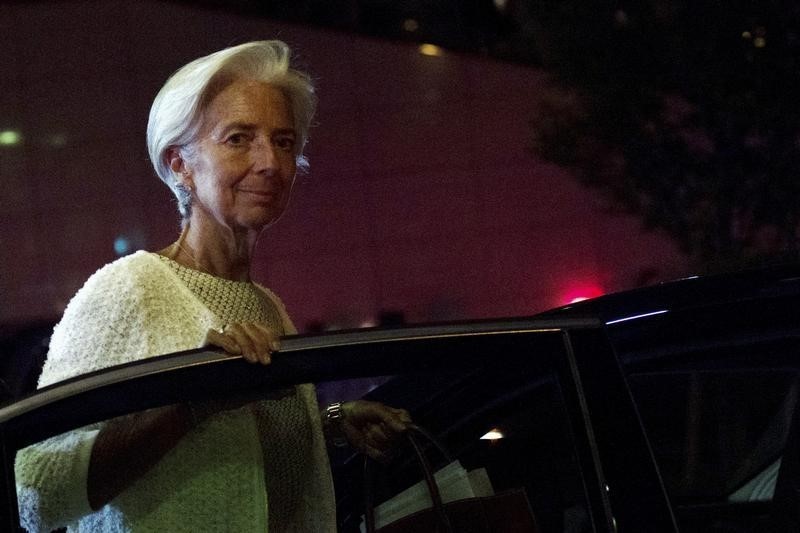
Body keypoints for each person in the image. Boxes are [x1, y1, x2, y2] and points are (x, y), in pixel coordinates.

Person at [15, 40, 411, 532]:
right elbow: (35, 494)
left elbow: (240, 447)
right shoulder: (129, 288)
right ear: (180, 164)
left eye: (284, 142)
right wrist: (192, 399)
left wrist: (327, 424)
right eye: (239, 138)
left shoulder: (267, 306)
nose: (269, 162)